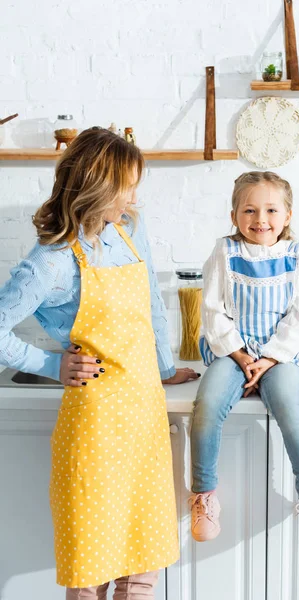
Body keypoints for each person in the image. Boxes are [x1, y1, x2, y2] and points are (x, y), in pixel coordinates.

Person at [0, 128, 199, 599]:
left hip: (145, 419)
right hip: (95, 427)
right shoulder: (50, 262)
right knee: (91, 568)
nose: (134, 196)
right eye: (127, 185)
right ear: (99, 187)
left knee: (143, 567)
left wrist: (164, 366)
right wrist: (51, 366)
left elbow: (150, 298)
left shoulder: (128, 229)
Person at [189, 171, 299, 557]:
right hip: (233, 351)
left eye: (271, 209)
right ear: (234, 214)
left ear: (287, 215)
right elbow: (212, 311)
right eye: (249, 210)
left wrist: (269, 359)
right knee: (205, 406)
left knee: (289, 406)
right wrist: (239, 355)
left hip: (281, 355)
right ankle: (203, 495)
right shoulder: (224, 251)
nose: (260, 219)